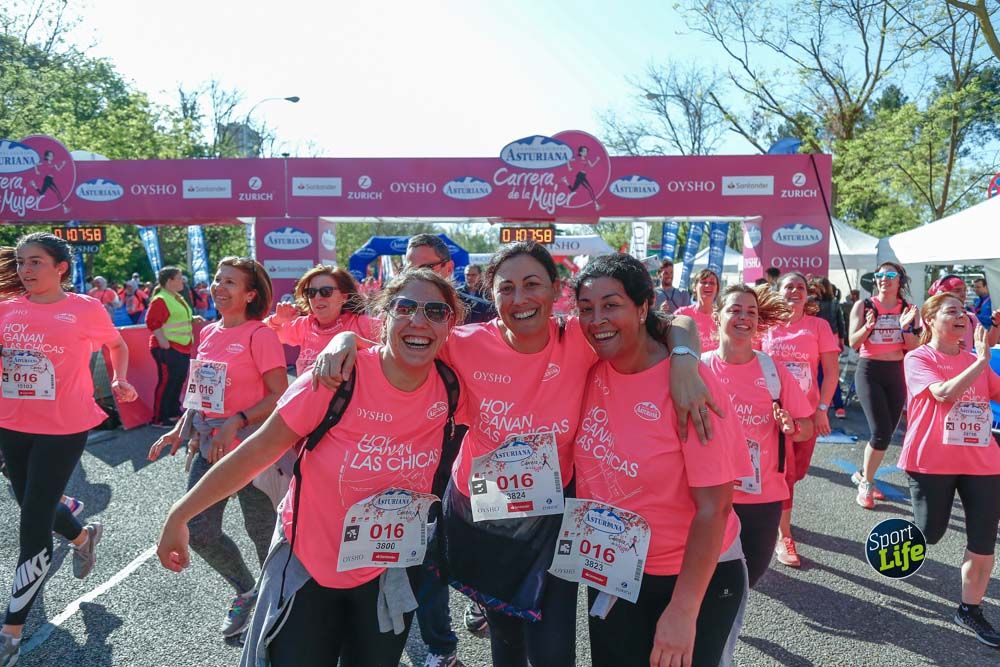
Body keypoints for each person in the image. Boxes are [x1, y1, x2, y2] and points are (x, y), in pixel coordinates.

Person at [314, 241, 716, 667]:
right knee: (505, 640)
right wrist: (341, 339)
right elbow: (395, 340)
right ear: (492, 294)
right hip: (483, 514)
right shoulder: (464, 342)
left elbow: (672, 323)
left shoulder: (582, 338)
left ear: (555, 289)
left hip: (551, 518)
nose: (520, 299)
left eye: (532, 285)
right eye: (507, 288)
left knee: (552, 650)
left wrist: (686, 361)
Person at [156, 269, 464, 667]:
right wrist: (179, 514)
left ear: (451, 323)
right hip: (309, 569)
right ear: (383, 316)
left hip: (387, 572)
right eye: (405, 307)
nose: (419, 321)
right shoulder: (337, 378)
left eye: (436, 311)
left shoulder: (453, 386)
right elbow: (257, 451)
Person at [573, 254, 752, 667]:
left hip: (691, 578)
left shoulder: (690, 385)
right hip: (613, 569)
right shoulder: (592, 366)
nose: (597, 319)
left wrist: (684, 609)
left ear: (642, 307)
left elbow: (715, 508)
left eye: (611, 305)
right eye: (586, 309)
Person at [0, 233, 138, 667]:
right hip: (11, 424)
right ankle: (83, 535)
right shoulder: (6, 308)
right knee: (28, 502)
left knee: (33, 523)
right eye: (21, 262)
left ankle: (11, 630)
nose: (25, 270)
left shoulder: (84, 309)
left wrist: (118, 379)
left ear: (61, 267)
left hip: (63, 428)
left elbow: (117, 344)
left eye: (36, 262)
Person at [148, 257, 288, 639]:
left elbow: (279, 395)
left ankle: (278, 608)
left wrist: (236, 420)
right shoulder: (208, 332)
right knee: (198, 528)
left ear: (250, 294)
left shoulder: (260, 335)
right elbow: (200, 392)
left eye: (230, 282)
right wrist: (180, 427)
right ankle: (247, 589)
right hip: (210, 446)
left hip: (255, 449)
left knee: (265, 535)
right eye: (216, 279)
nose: (219, 287)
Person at [898, 293, 1000, 647]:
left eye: (965, 311)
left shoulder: (977, 360)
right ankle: (897, 538)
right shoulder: (918, 357)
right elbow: (943, 394)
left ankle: (970, 609)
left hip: (982, 461)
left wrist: (983, 359)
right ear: (929, 320)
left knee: (983, 541)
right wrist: (982, 360)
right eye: (951, 311)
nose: (962, 316)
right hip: (932, 460)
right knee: (930, 533)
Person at [702, 284, 813, 585]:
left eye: (750, 311)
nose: (743, 317)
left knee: (750, 575)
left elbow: (807, 428)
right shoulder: (700, 369)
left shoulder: (772, 371)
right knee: (706, 576)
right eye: (734, 310)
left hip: (761, 494)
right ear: (717, 315)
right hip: (707, 491)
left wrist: (793, 427)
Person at [762, 273, 839, 567]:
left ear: (808, 295)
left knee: (798, 473)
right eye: (788, 287)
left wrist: (822, 408)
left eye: (800, 288)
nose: (794, 291)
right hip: (772, 416)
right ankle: (783, 536)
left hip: (806, 415)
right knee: (785, 476)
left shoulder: (818, 326)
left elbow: (831, 371)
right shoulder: (766, 326)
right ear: (777, 292)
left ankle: (778, 514)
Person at [848, 262, 920, 509]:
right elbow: (853, 343)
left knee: (887, 434)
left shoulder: (909, 309)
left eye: (890, 275)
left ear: (900, 280)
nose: (883, 279)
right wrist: (869, 326)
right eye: (879, 275)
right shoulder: (864, 305)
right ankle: (866, 484)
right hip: (869, 371)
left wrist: (905, 327)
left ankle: (862, 473)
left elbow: (914, 347)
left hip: (896, 372)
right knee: (879, 432)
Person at [265, 265, 377, 376]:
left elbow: (391, 353)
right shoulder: (305, 325)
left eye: (326, 291)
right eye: (311, 292)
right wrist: (277, 319)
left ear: (344, 297)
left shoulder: (364, 324)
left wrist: (356, 341)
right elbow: (260, 335)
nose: (318, 297)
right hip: (308, 394)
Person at [146, 267, 196, 428]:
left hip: (181, 346)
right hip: (168, 347)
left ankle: (173, 411)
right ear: (169, 281)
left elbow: (176, 318)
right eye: (180, 278)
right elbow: (152, 322)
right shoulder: (161, 298)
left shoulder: (175, 297)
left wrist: (194, 318)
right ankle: (159, 418)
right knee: (167, 382)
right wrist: (164, 343)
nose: (183, 281)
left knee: (177, 380)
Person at [406, 234, 495, 324]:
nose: (416, 275)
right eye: (411, 269)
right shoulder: (396, 308)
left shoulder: (474, 310)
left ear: (449, 268)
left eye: (426, 268)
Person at [928, 275, 1000, 350]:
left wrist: (995, 324)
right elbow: (920, 345)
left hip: (968, 361)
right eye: (957, 290)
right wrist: (948, 343)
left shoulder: (970, 317)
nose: (963, 294)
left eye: (965, 290)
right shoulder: (930, 317)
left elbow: (989, 342)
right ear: (942, 293)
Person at [811, 276, 848, 418]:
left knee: (821, 373)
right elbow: (841, 323)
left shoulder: (813, 303)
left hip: (818, 339)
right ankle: (838, 406)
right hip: (831, 339)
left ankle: (824, 403)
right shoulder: (834, 302)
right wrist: (841, 340)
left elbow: (840, 322)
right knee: (831, 374)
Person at [675, 269, 721, 352]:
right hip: (691, 364)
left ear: (717, 289)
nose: (707, 285)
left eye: (712, 283)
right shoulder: (682, 314)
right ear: (694, 287)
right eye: (703, 282)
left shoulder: (723, 316)